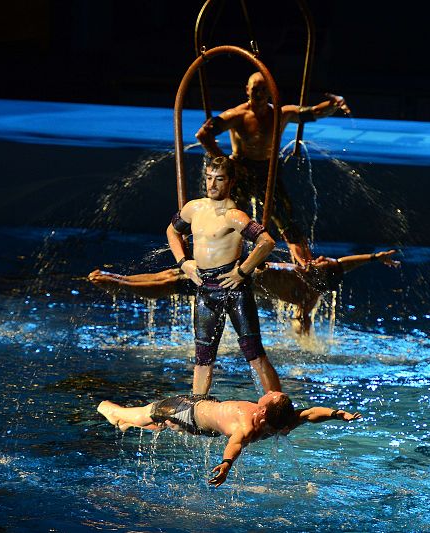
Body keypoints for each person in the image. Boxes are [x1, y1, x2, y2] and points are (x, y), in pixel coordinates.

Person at [196, 72, 351, 266]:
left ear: (270, 92)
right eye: (255, 89)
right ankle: (220, 261)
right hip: (241, 172)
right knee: (230, 219)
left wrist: (335, 103)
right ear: (247, 90)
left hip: (268, 172)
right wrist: (227, 162)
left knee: (286, 221)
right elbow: (203, 134)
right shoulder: (236, 115)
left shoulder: (281, 114)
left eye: (263, 90)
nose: (259, 94)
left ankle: (306, 265)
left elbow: (315, 112)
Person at [166, 155, 279, 395]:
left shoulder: (233, 215)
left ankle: (278, 405)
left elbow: (266, 242)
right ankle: (197, 407)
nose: (212, 185)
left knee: (253, 352)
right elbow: (172, 231)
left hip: (233, 288)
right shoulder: (193, 208)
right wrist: (183, 262)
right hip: (204, 286)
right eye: (209, 178)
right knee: (203, 355)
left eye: (219, 179)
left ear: (230, 182)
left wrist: (241, 271)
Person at [87, 251, 400, 334]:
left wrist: (301, 332)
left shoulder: (310, 293)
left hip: (233, 283)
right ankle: (121, 279)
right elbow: (344, 265)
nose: (316, 258)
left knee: (173, 285)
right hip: (237, 270)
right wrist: (374, 258)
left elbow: (303, 322)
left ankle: (119, 286)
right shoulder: (312, 272)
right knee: (173, 274)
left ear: (321, 275)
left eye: (322, 262)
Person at [97, 391, 361, 487]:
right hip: (204, 412)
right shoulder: (282, 422)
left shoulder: (246, 426)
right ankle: (138, 425)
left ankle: (114, 414)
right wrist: (339, 414)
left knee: (147, 413)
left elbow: (234, 444)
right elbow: (312, 413)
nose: (268, 391)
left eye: (267, 396)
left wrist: (225, 465)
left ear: (261, 411)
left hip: (188, 412)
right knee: (159, 423)